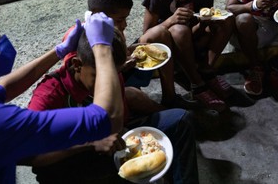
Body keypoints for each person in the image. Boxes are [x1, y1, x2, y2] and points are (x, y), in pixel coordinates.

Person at [0, 0, 124, 182]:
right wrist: (102, 48)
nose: (0, 39)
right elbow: (107, 119)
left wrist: (59, 51)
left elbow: (5, 87)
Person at [29, 29, 199, 184]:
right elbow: (33, 156)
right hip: (72, 157)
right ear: (77, 65)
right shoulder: (49, 95)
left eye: (113, 73)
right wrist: (90, 143)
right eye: (100, 75)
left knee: (180, 120)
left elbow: (120, 122)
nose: (107, 84)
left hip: (109, 140)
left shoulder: (111, 73)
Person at [141, 0, 235, 113]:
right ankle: (197, 84)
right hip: (166, 50)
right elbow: (146, 37)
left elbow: (195, 31)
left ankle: (207, 71)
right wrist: (171, 20)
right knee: (178, 29)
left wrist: (205, 24)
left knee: (226, 20)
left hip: (190, 43)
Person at [86, 0, 188, 109]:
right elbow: (92, 83)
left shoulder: (113, 28)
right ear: (97, 14)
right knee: (134, 96)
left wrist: (129, 51)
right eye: (119, 20)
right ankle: (163, 112)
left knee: (159, 34)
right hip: (107, 87)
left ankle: (170, 97)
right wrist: (120, 67)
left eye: (125, 18)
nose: (124, 25)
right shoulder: (84, 40)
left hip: (123, 69)